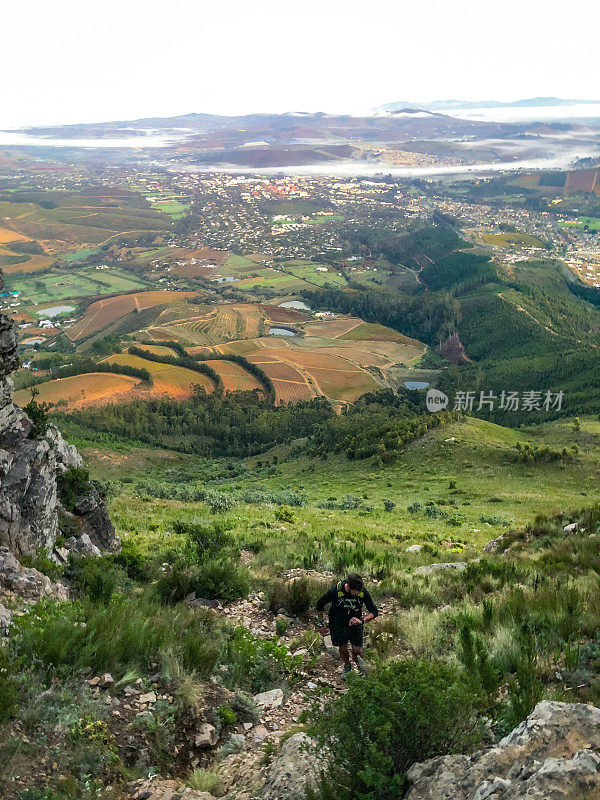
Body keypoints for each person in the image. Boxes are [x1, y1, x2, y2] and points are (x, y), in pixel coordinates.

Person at [315, 573, 378, 678]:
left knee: (357, 649)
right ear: (348, 586)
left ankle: (357, 661)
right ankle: (347, 665)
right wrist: (320, 625)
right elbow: (320, 605)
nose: (357, 593)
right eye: (355, 591)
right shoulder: (335, 591)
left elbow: (374, 612)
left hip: (355, 623)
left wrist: (362, 620)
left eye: (359, 591)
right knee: (342, 647)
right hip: (337, 623)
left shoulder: (363, 592)